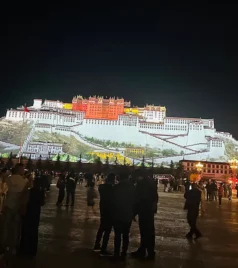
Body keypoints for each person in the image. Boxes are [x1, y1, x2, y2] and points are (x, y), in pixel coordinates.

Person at [0, 164, 29, 260]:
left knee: (6, 226)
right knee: (15, 227)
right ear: (19, 170)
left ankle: (3, 244)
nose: (24, 170)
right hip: (17, 207)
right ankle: (13, 246)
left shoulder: (9, 179)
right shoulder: (25, 181)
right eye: (23, 169)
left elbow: (4, 179)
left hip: (8, 205)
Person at [131, 175, 158, 260]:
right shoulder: (150, 182)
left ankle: (148, 252)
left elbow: (139, 198)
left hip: (144, 210)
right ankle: (145, 251)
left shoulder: (142, 184)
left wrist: (134, 212)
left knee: (145, 231)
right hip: (149, 210)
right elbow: (155, 197)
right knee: (148, 231)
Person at [19, 176, 45, 257]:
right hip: (36, 214)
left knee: (25, 231)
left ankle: (23, 250)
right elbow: (42, 203)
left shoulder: (29, 191)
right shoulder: (41, 192)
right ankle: (32, 251)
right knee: (34, 232)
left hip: (28, 213)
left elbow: (23, 201)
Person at [112, 173, 135, 261]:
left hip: (117, 214)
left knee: (117, 235)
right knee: (126, 235)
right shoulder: (132, 187)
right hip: (127, 214)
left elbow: (113, 201)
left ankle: (116, 253)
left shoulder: (116, 187)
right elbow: (135, 201)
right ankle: (124, 253)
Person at [94, 173, 115, 256]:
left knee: (101, 228)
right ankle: (103, 248)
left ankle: (96, 244)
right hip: (110, 210)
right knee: (107, 230)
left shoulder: (101, 187)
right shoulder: (113, 189)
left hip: (103, 209)